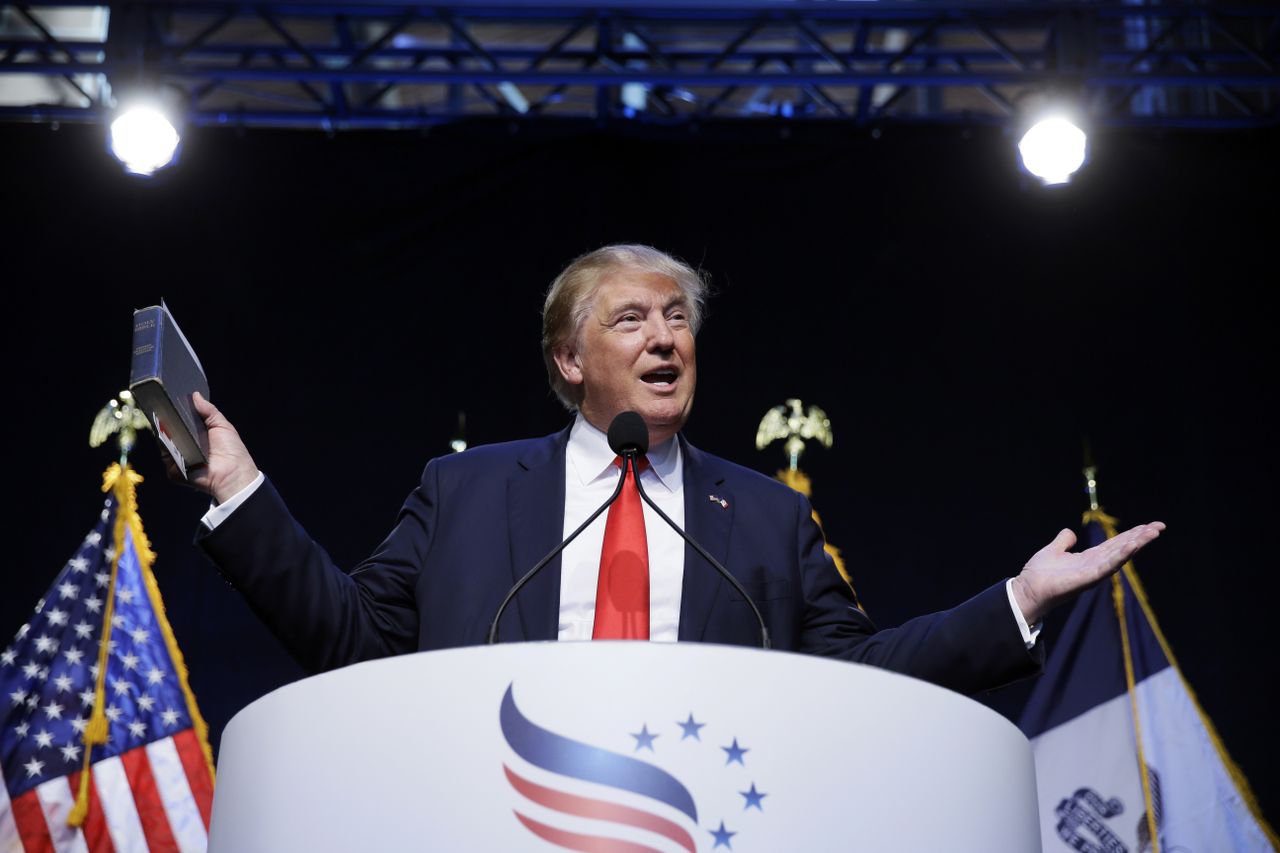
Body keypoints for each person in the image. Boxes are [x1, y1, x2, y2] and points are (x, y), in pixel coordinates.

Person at [181, 244, 1163, 694]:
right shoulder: (467, 491)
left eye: (677, 318)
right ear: (568, 362)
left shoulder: (766, 520)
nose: (664, 339)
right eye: (630, 319)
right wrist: (241, 495)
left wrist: (1017, 601)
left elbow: (856, 678)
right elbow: (354, 646)